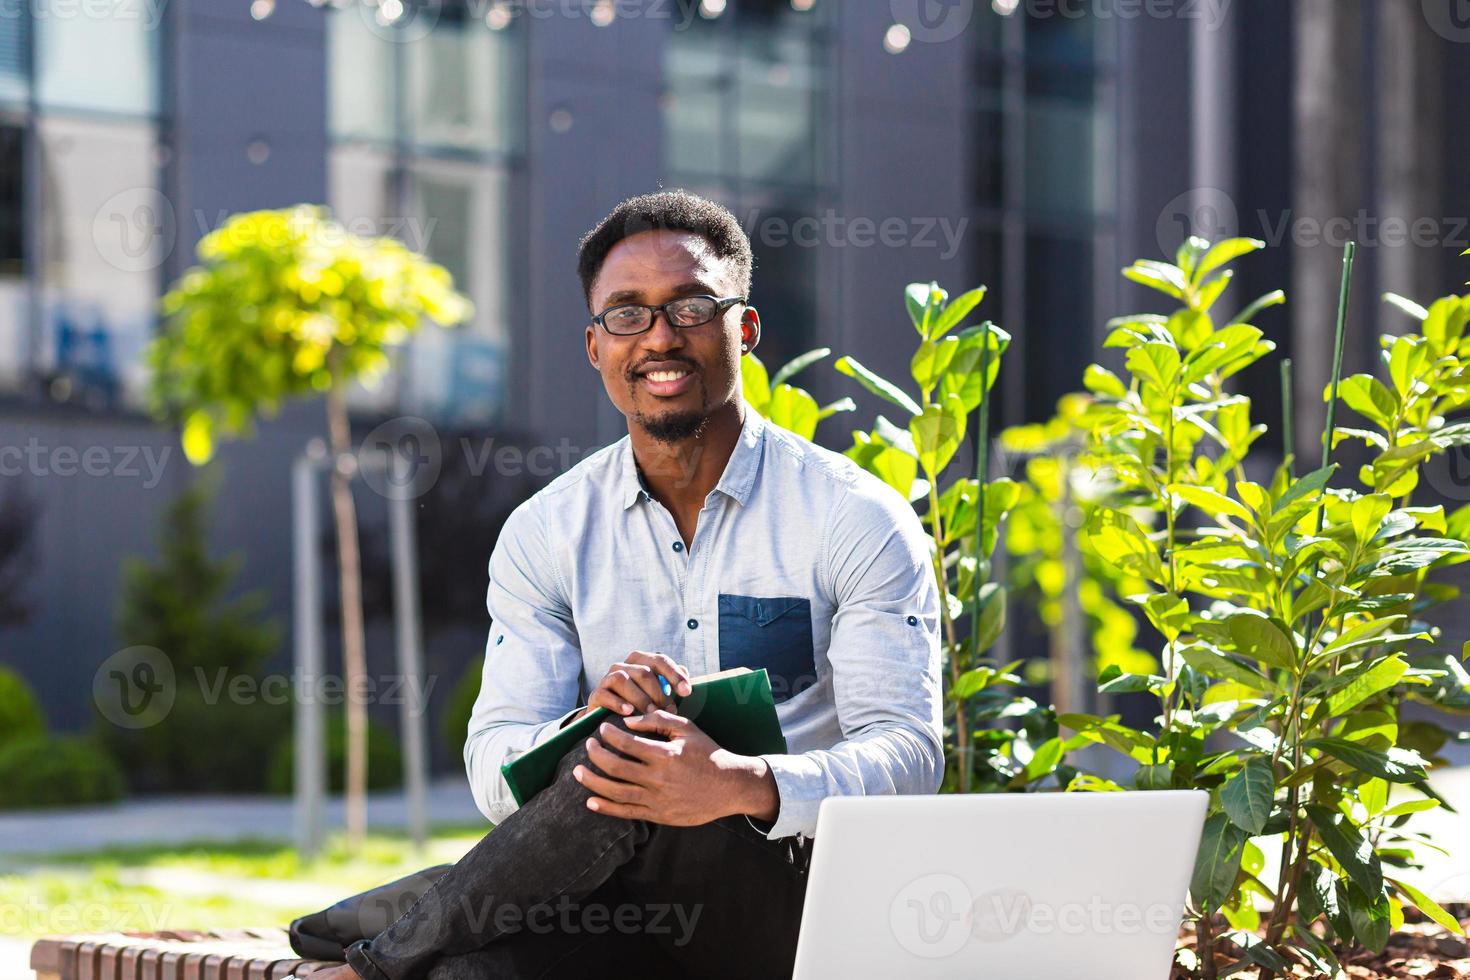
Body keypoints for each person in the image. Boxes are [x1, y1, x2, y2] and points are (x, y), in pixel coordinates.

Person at [305, 189, 944, 979]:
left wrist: (738, 785)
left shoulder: (854, 517)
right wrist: (586, 722)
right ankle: (419, 938)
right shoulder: (548, 531)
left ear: (743, 328)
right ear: (596, 345)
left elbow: (911, 756)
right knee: (463, 973)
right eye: (627, 315)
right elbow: (495, 761)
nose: (660, 339)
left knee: (639, 753)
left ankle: (383, 951)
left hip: (792, 899)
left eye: (690, 308)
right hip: (618, 903)